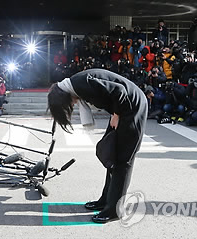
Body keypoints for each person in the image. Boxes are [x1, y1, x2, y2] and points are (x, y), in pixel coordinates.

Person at [47, 69, 147, 223]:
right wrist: (116, 113)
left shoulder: (82, 85)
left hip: (131, 109)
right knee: (112, 156)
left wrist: (116, 114)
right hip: (123, 109)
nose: (72, 104)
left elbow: (119, 91)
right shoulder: (75, 84)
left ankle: (114, 210)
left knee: (122, 162)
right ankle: (105, 201)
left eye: (68, 104)